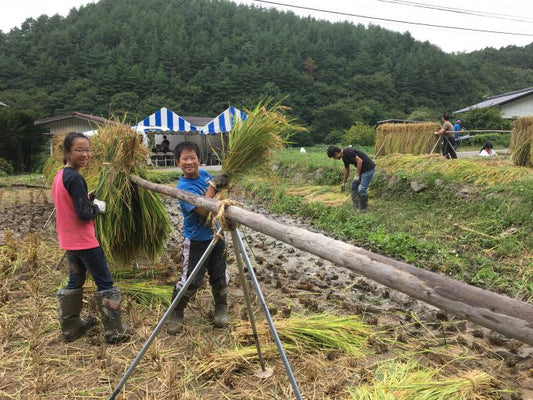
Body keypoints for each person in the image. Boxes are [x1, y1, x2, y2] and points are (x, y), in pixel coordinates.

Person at [52, 132, 130, 344]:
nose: (85, 154)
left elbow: (69, 204)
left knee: (75, 280)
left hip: (69, 241)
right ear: (67, 152)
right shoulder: (76, 178)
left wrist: (86, 200)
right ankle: (115, 332)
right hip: (84, 241)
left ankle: (71, 329)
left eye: (88, 149)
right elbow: (84, 213)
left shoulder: (61, 175)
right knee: (105, 282)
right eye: (79, 150)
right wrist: (96, 207)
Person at [167, 141, 230, 334]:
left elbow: (218, 192)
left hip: (216, 235)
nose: (189, 162)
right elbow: (204, 211)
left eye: (192, 158)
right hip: (196, 240)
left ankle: (221, 307)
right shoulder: (183, 187)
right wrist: (213, 186)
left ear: (199, 159)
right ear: (178, 162)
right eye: (185, 159)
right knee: (191, 279)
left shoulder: (204, 175)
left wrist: (222, 184)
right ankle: (176, 312)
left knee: (219, 275)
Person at [327, 145, 375, 212]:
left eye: (333, 157)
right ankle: (356, 206)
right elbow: (347, 169)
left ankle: (363, 209)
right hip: (362, 171)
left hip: (368, 169)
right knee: (353, 186)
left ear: (336, 153)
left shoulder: (348, 151)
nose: (335, 158)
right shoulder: (344, 157)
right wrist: (344, 182)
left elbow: (359, 161)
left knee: (361, 189)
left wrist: (357, 175)